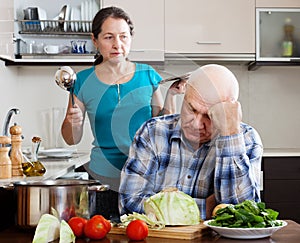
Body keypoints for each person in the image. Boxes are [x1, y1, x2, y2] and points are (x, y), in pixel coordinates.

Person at [61, 7, 184, 219]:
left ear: (131, 38)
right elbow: (71, 139)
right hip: (103, 178)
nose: (117, 44)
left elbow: (161, 129)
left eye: (123, 37)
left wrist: (172, 96)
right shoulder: (81, 82)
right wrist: (74, 122)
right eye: (109, 37)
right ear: (95, 40)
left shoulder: (148, 75)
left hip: (145, 177)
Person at [119, 64, 263, 220]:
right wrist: (207, 209)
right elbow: (129, 204)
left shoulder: (247, 140)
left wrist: (230, 134)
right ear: (185, 94)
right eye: (191, 109)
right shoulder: (152, 132)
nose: (196, 124)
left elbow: (242, 215)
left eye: (209, 116)